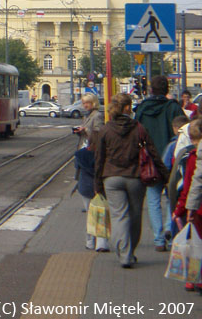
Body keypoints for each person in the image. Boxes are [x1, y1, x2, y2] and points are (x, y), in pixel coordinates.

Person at [95, 93, 169, 268]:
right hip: (135, 177)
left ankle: (124, 254)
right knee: (135, 216)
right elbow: (152, 152)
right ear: (128, 108)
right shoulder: (139, 128)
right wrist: (165, 175)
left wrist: (97, 183)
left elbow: (99, 159)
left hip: (111, 178)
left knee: (119, 216)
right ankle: (130, 251)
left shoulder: (105, 130)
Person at [134, 75, 184, 250]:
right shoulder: (174, 108)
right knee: (172, 199)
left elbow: (136, 134)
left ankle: (158, 239)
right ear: (167, 89)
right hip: (173, 161)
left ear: (150, 90)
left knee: (153, 200)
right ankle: (171, 235)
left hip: (150, 162)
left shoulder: (142, 108)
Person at [171, 119, 202, 292]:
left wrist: (180, 209)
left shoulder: (193, 158)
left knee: (196, 244)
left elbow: (190, 186)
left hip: (198, 208)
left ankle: (195, 278)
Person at [75, 136, 109, 252]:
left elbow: (77, 169)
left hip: (85, 187)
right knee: (102, 215)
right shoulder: (104, 154)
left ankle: (89, 242)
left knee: (90, 215)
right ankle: (102, 244)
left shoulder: (80, 154)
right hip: (101, 187)